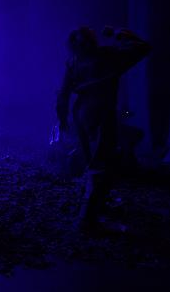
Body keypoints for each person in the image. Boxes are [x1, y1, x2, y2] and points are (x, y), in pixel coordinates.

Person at [56, 25, 150, 233]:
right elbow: (142, 47)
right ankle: (87, 221)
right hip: (100, 112)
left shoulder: (73, 61)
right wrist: (118, 33)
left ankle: (96, 209)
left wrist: (62, 118)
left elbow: (63, 94)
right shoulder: (108, 56)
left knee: (95, 162)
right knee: (99, 165)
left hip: (82, 112)